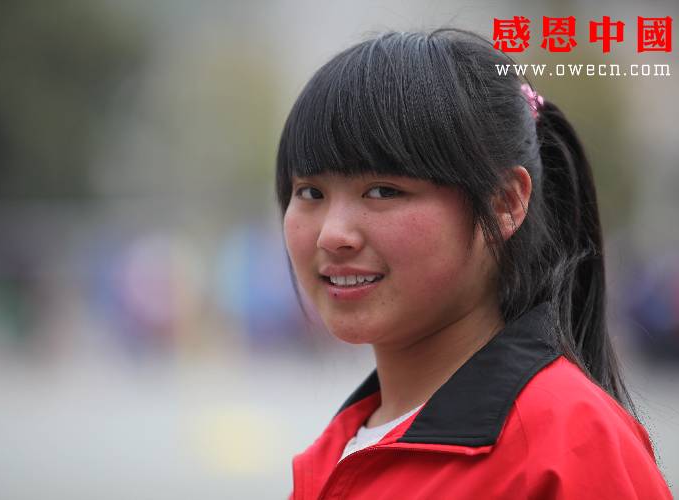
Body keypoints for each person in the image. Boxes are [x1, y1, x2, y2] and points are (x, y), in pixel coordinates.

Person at [275, 29, 673, 499]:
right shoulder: (337, 452)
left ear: (505, 203)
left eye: (383, 191)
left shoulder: (569, 445)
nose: (332, 235)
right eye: (310, 192)